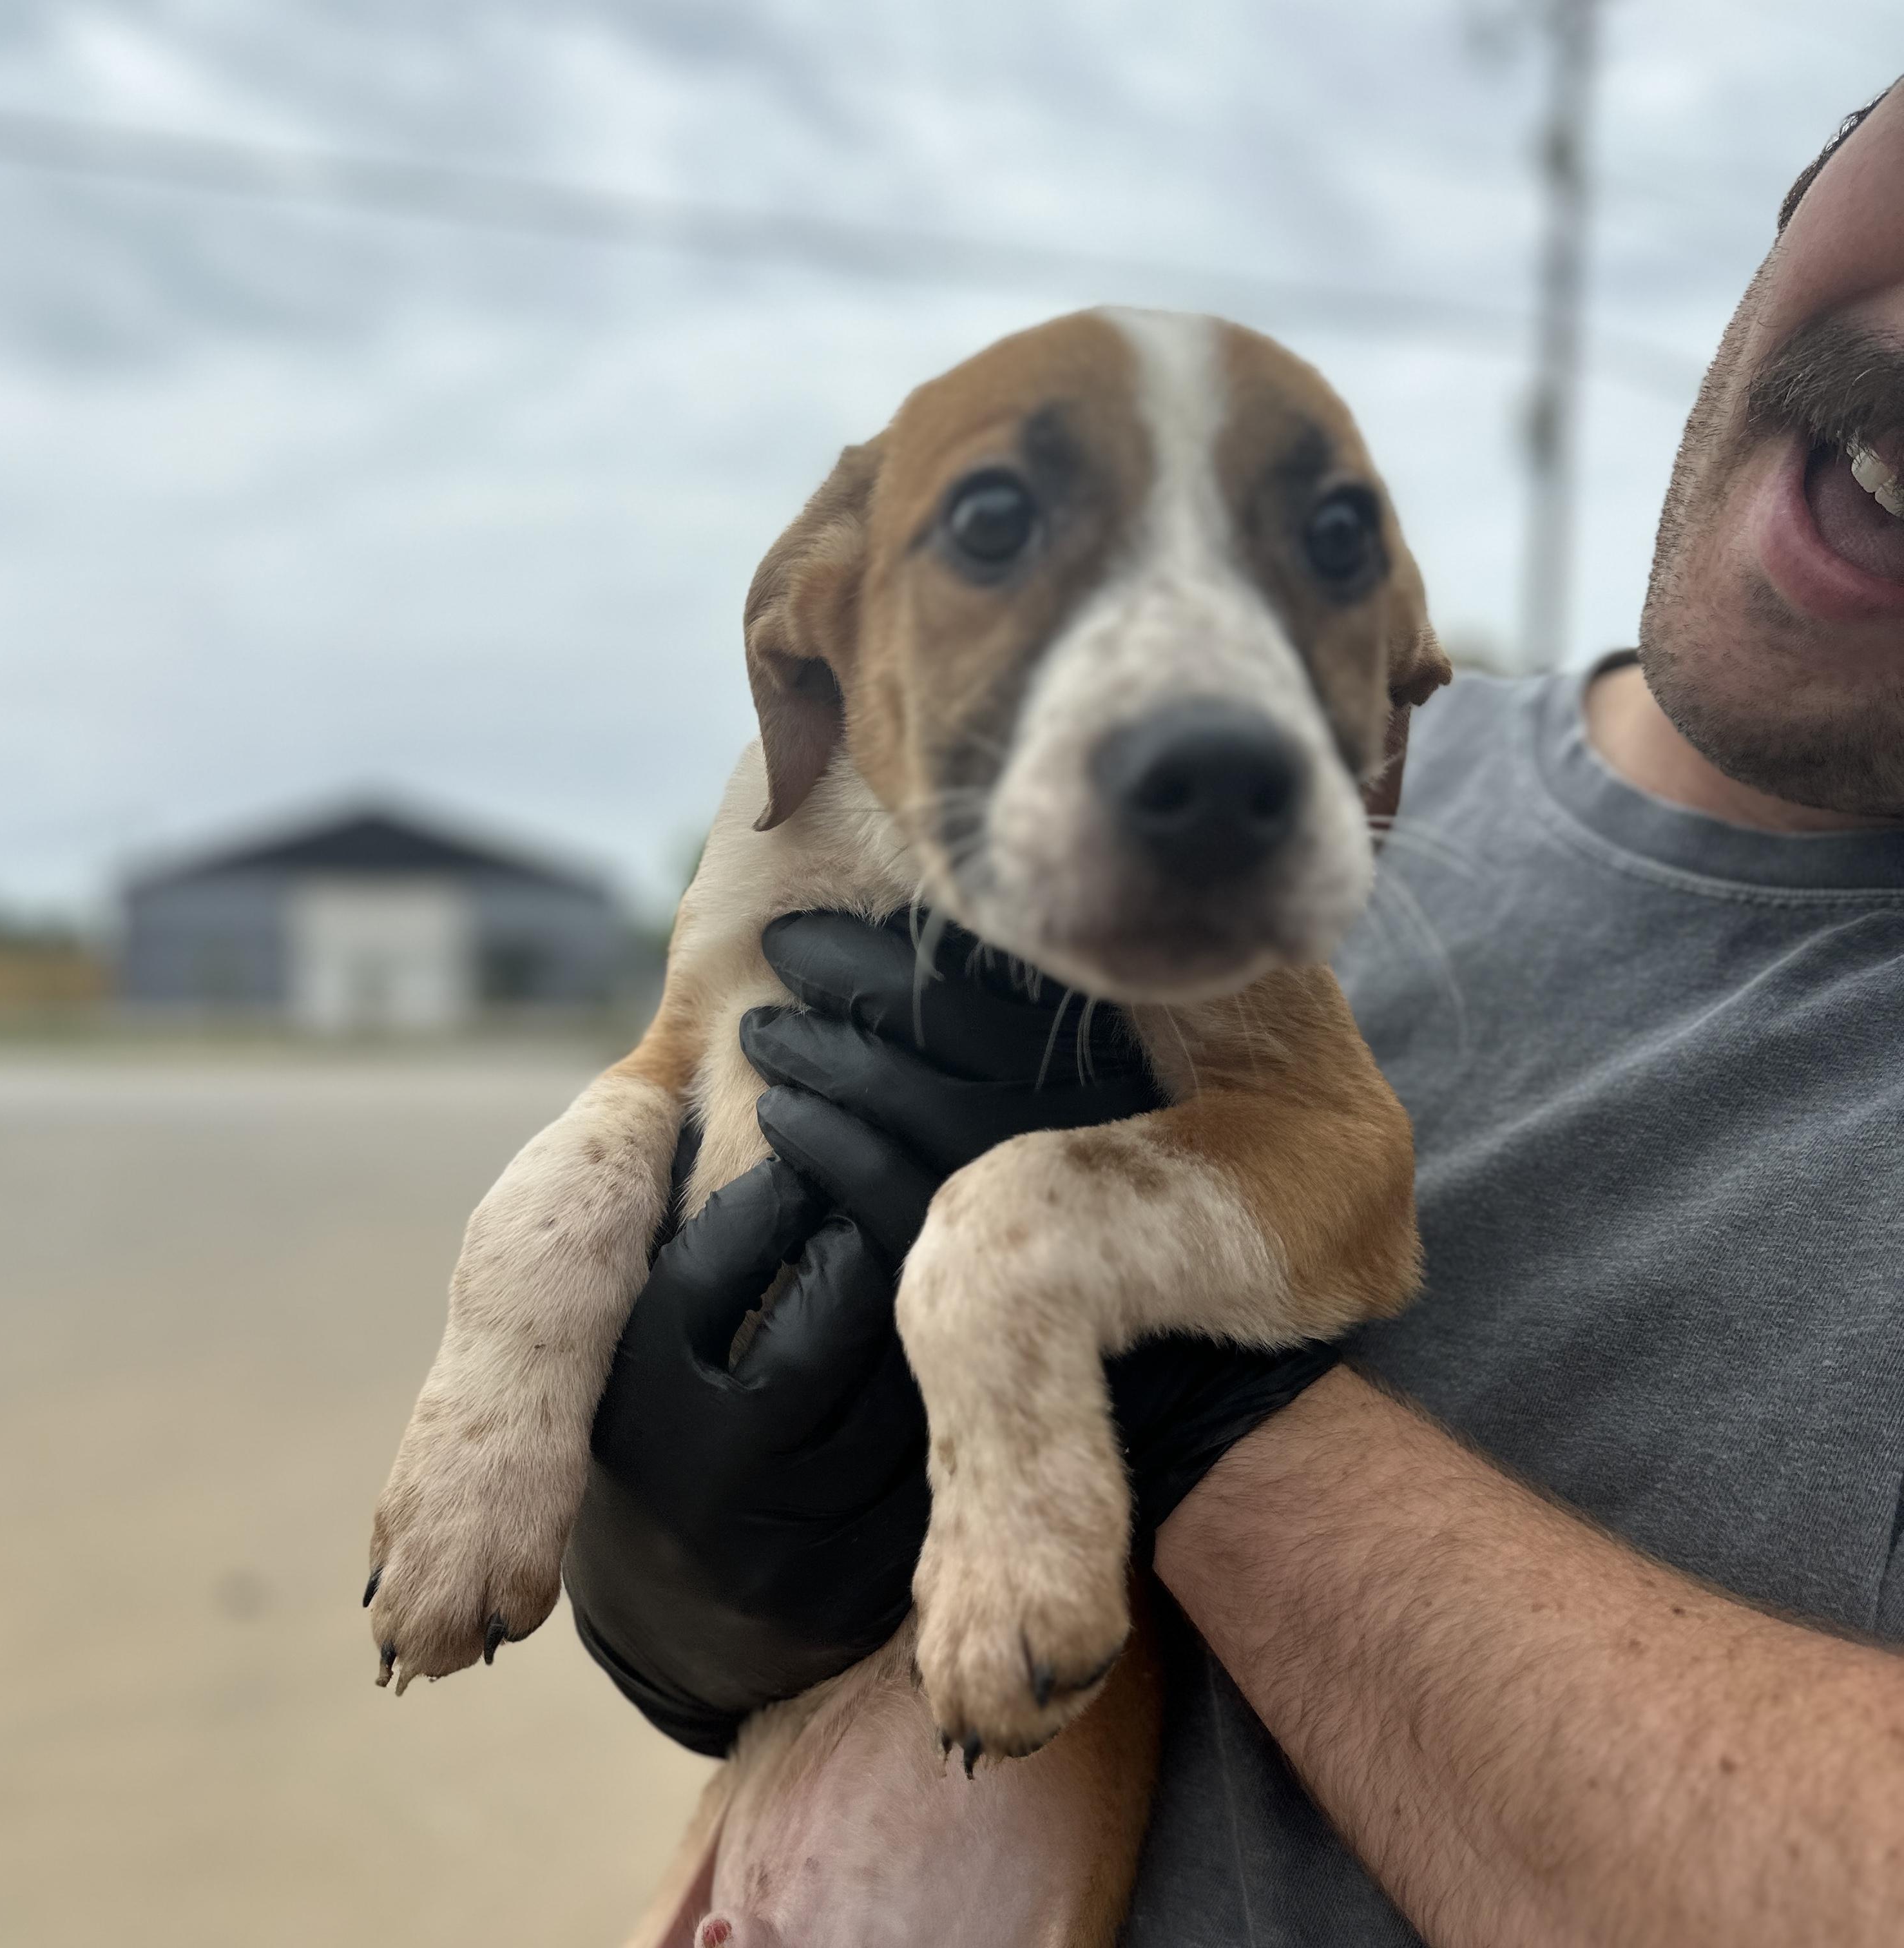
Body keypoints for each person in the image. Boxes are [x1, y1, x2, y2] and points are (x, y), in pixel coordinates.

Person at [564, 81, 1904, 1945]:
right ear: (1815, 175)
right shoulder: (1335, 805)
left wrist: (1199, 1422)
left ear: (1390, 661)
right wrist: (697, 1597)